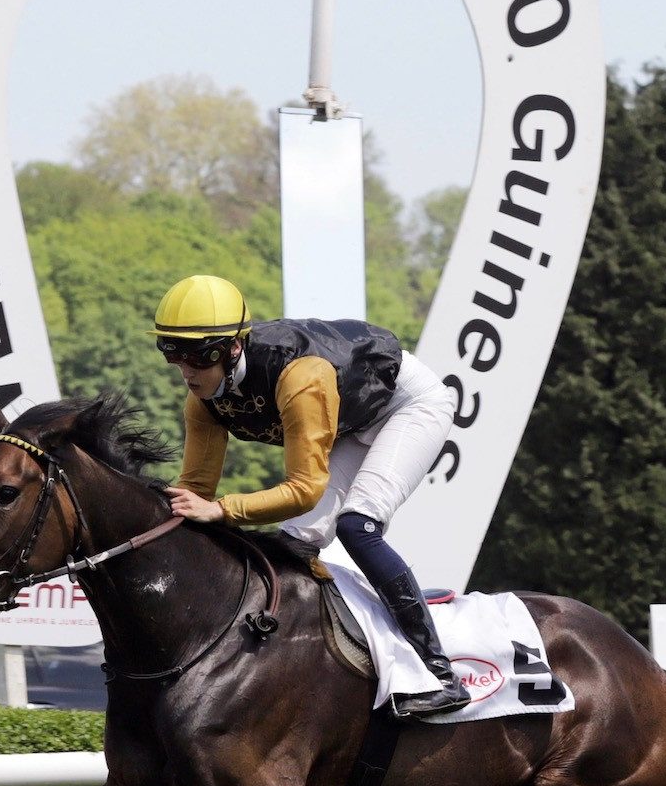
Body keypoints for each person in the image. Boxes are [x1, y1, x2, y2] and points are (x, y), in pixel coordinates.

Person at [154, 273, 470, 717]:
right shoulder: (202, 399)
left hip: (407, 407)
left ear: (233, 348)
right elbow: (194, 494)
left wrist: (223, 510)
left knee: (357, 526)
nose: (186, 370)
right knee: (293, 546)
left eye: (198, 355)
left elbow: (304, 489)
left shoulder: (300, 377)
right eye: (173, 353)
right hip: (349, 420)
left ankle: (440, 673)